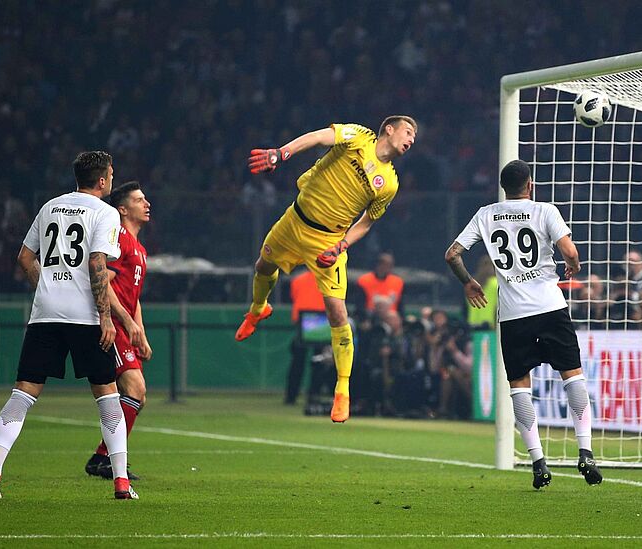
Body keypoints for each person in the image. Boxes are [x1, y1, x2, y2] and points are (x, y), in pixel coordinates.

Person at [0, 151, 140, 500]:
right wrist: (106, 317)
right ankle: (121, 482)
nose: (112, 179)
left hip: (46, 314)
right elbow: (97, 262)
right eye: (111, 174)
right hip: (85, 316)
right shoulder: (106, 213)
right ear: (102, 180)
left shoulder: (50, 206)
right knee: (107, 395)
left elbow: (25, 257)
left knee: (22, 393)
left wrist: (48, 288)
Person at [235, 116, 418, 423]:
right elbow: (318, 137)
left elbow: (366, 222)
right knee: (263, 265)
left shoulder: (389, 183)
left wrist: (341, 246)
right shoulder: (359, 136)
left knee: (337, 311)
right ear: (389, 129)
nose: (411, 139)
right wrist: (281, 153)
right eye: (408, 132)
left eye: (414, 137)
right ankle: (258, 309)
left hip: (327, 240)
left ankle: (342, 390)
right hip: (295, 219)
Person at [444, 159, 602, 489]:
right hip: (550, 307)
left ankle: (538, 462)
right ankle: (585, 452)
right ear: (530, 185)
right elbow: (570, 251)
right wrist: (573, 265)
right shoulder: (545, 210)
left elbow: (452, 254)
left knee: (519, 386)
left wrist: (468, 282)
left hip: (513, 315)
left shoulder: (486, 214)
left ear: (504, 187)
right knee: (572, 375)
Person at [85, 181, 153, 480]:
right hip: (111, 324)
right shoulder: (119, 240)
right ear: (123, 209)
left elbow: (133, 296)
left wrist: (140, 332)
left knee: (137, 396)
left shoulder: (140, 248)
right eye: (139, 200)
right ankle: (106, 460)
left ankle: (102, 458)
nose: (146, 204)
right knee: (135, 389)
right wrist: (123, 321)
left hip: (126, 327)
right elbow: (105, 283)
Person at [285, 268, 327, 405]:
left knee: (298, 361)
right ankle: (313, 394)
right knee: (318, 360)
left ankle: (291, 396)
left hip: (304, 320)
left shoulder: (298, 279)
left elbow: (294, 296)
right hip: (320, 320)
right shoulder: (329, 278)